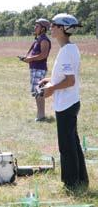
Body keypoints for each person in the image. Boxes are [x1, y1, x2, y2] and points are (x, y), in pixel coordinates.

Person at [40, 13, 88, 191]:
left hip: (66, 104)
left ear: (62, 28)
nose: (50, 27)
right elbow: (65, 77)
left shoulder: (67, 50)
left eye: (54, 25)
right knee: (73, 143)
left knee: (66, 146)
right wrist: (50, 80)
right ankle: (81, 180)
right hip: (70, 102)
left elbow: (70, 80)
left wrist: (51, 89)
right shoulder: (69, 48)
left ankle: (71, 184)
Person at [20, 18, 51, 122]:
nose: (35, 28)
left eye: (37, 26)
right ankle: (40, 114)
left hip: (39, 69)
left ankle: (41, 115)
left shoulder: (44, 40)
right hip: (35, 68)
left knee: (38, 91)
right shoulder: (38, 39)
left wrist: (30, 59)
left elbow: (44, 55)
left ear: (43, 29)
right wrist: (26, 58)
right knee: (37, 91)